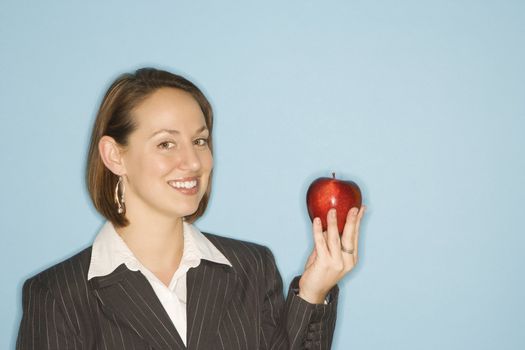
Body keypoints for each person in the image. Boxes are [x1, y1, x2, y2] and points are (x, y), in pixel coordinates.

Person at [16, 68, 366, 350]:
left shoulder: (251, 268)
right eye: (166, 143)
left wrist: (313, 292)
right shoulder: (58, 294)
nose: (193, 161)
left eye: (199, 141)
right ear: (115, 155)